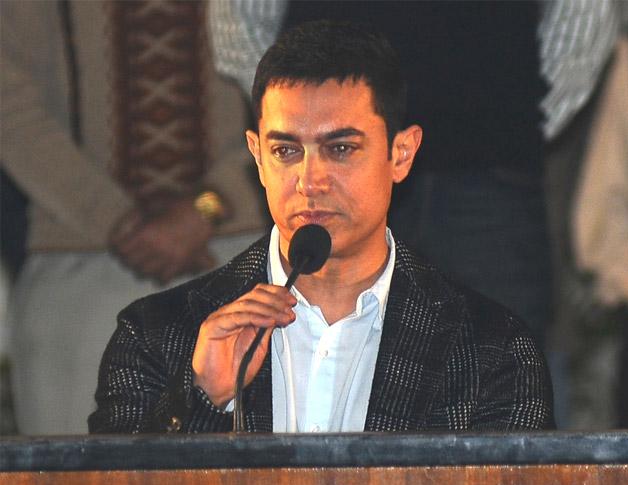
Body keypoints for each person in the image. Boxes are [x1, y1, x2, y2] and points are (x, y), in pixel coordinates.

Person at [89, 20, 554, 434]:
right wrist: (206, 395)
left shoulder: (494, 350)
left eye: (341, 149)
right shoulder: (156, 336)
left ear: (401, 154)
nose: (310, 182)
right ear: (257, 157)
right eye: (286, 151)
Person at [1, 0, 268, 435]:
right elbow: (10, 101)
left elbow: (301, 83)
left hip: (240, 249)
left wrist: (211, 204)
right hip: (78, 259)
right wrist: (115, 219)